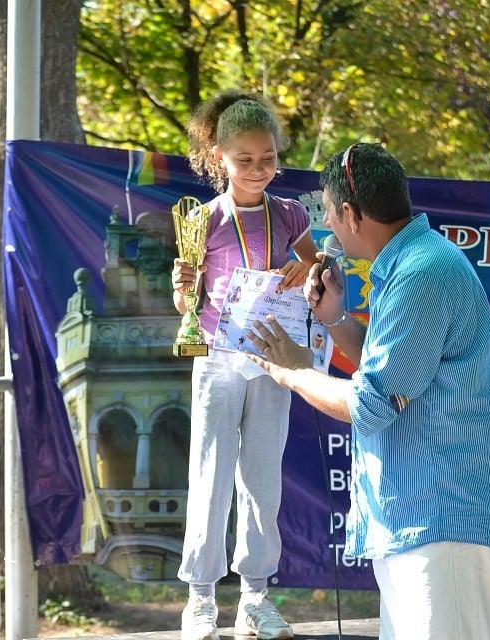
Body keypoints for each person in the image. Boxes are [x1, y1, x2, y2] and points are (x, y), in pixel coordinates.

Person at [244, 142, 490, 640]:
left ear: (350, 213)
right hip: (419, 522)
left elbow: (372, 404)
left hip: (443, 524)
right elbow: (396, 363)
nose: (326, 225)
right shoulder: (414, 262)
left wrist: (293, 373)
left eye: (328, 211)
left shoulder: (422, 272)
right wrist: (333, 319)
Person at [171, 89, 320, 640]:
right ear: (219, 159)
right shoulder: (204, 220)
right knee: (209, 475)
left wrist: (305, 268)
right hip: (217, 356)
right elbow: (186, 303)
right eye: (245, 160)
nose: (259, 170)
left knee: (262, 477)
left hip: (274, 359)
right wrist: (184, 288)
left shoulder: (291, 214)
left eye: (268, 158)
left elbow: (315, 270)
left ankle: (255, 598)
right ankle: (201, 600)